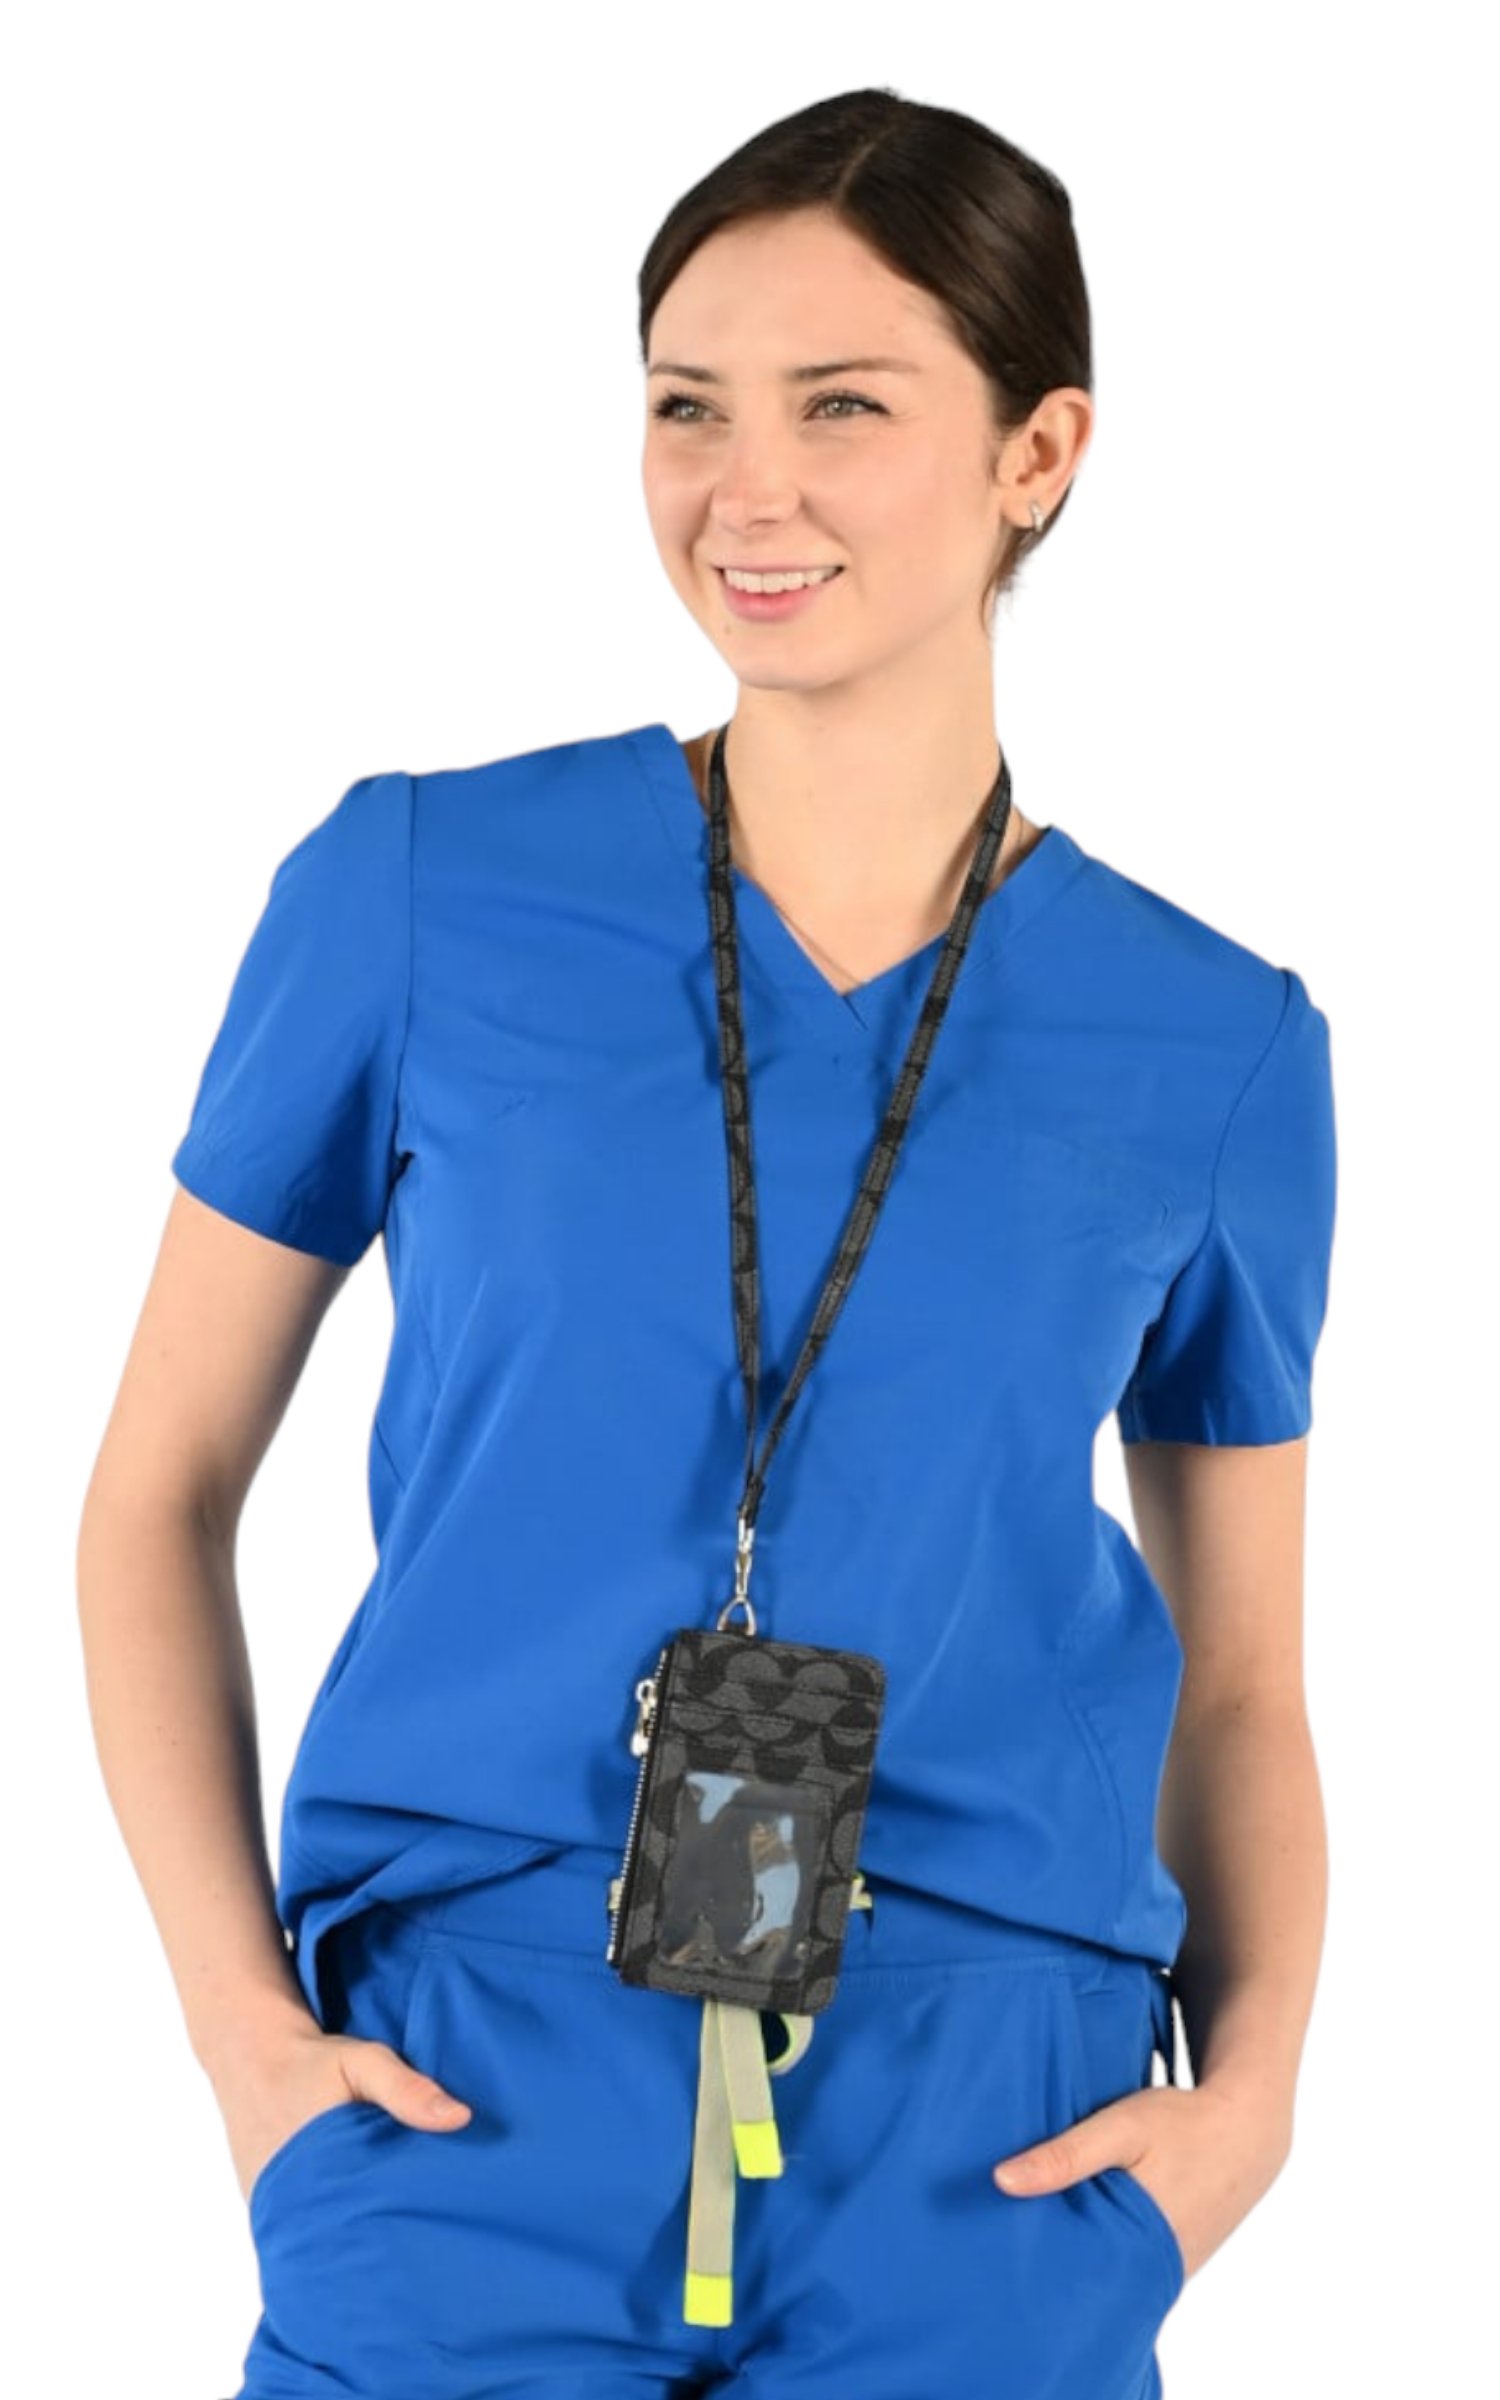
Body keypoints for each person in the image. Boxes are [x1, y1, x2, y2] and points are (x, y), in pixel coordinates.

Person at [76, 85, 1338, 2400]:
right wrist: (244, 2046)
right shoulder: (417, 893)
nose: (746, 490)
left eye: (842, 406)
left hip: (993, 2143)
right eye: (687, 407)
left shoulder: (1217, 1043)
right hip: (459, 2099)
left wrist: (1246, 2109)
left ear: (1039, 450)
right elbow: (155, 1490)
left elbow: (1246, 1674)